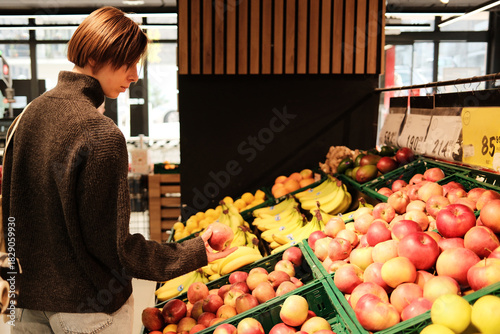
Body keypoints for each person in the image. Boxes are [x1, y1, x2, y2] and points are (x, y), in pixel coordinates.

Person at [1, 6, 235, 333]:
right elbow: (116, 249)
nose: (135, 75)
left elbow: (10, 220)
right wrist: (194, 252)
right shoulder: (100, 133)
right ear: (96, 57)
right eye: (129, 62)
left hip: (26, 307)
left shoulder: (24, 119)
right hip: (90, 312)